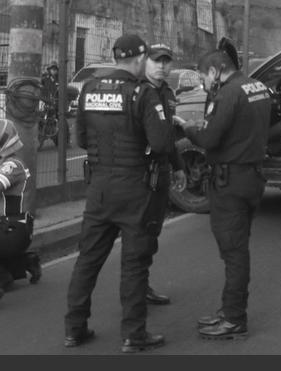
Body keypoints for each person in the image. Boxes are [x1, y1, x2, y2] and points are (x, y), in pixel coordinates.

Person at [64, 33, 176, 353]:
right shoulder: (143, 93)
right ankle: (133, 334)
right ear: (140, 59)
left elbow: (82, 139)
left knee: (88, 260)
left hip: (98, 187)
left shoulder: (90, 88)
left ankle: (74, 328)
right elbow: (162, 145)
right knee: (135, 263)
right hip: (135, 189)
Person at [182, 45, 271, 340]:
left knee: (233, 252)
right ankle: (229, 310)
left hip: (230, 181)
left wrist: (187, 128)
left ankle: (234, 318)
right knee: (238, 246)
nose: (203, 84)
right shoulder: (257, 86)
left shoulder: (228, 93)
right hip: (252, 175)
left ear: (214, 70)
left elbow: (209, 138)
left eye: (202, 78)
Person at [140, 43, 187, 305]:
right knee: (139, 234)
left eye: (166, 61)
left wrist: (178, 165)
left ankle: (142, 284)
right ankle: (135, 288)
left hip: (162, 170)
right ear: (145, 62)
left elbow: (167, 134)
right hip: (139, 174)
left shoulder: (167, 93)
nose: (161, 66)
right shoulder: (138, 91)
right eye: (156, 61)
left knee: (152, 232)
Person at [0, 119, 42, 299]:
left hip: (14, 228)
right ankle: (26, 262)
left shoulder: (12, 165)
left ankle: (3, 278)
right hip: (10, 227)